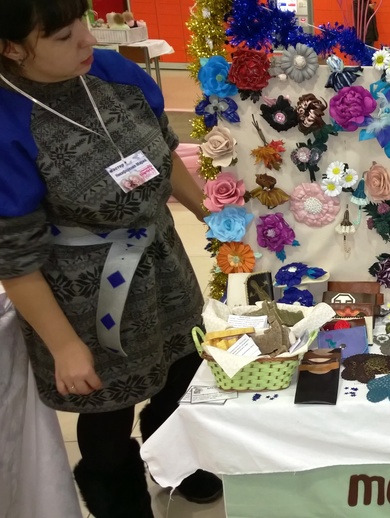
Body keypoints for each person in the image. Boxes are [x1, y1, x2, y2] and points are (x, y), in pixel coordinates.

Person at [0, 0, 221, 516]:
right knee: (107, 411)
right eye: (61, 36)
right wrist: (64, 346)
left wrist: (209, 214)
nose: (87, 39)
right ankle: (121, 501)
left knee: (185, 371)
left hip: (163, 263)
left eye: (81, 21)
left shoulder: (113, 73)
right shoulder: (9, 120)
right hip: (85, 297)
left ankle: (178, 461)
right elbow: (14, 256)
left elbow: (163, 153)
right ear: (10, 48)